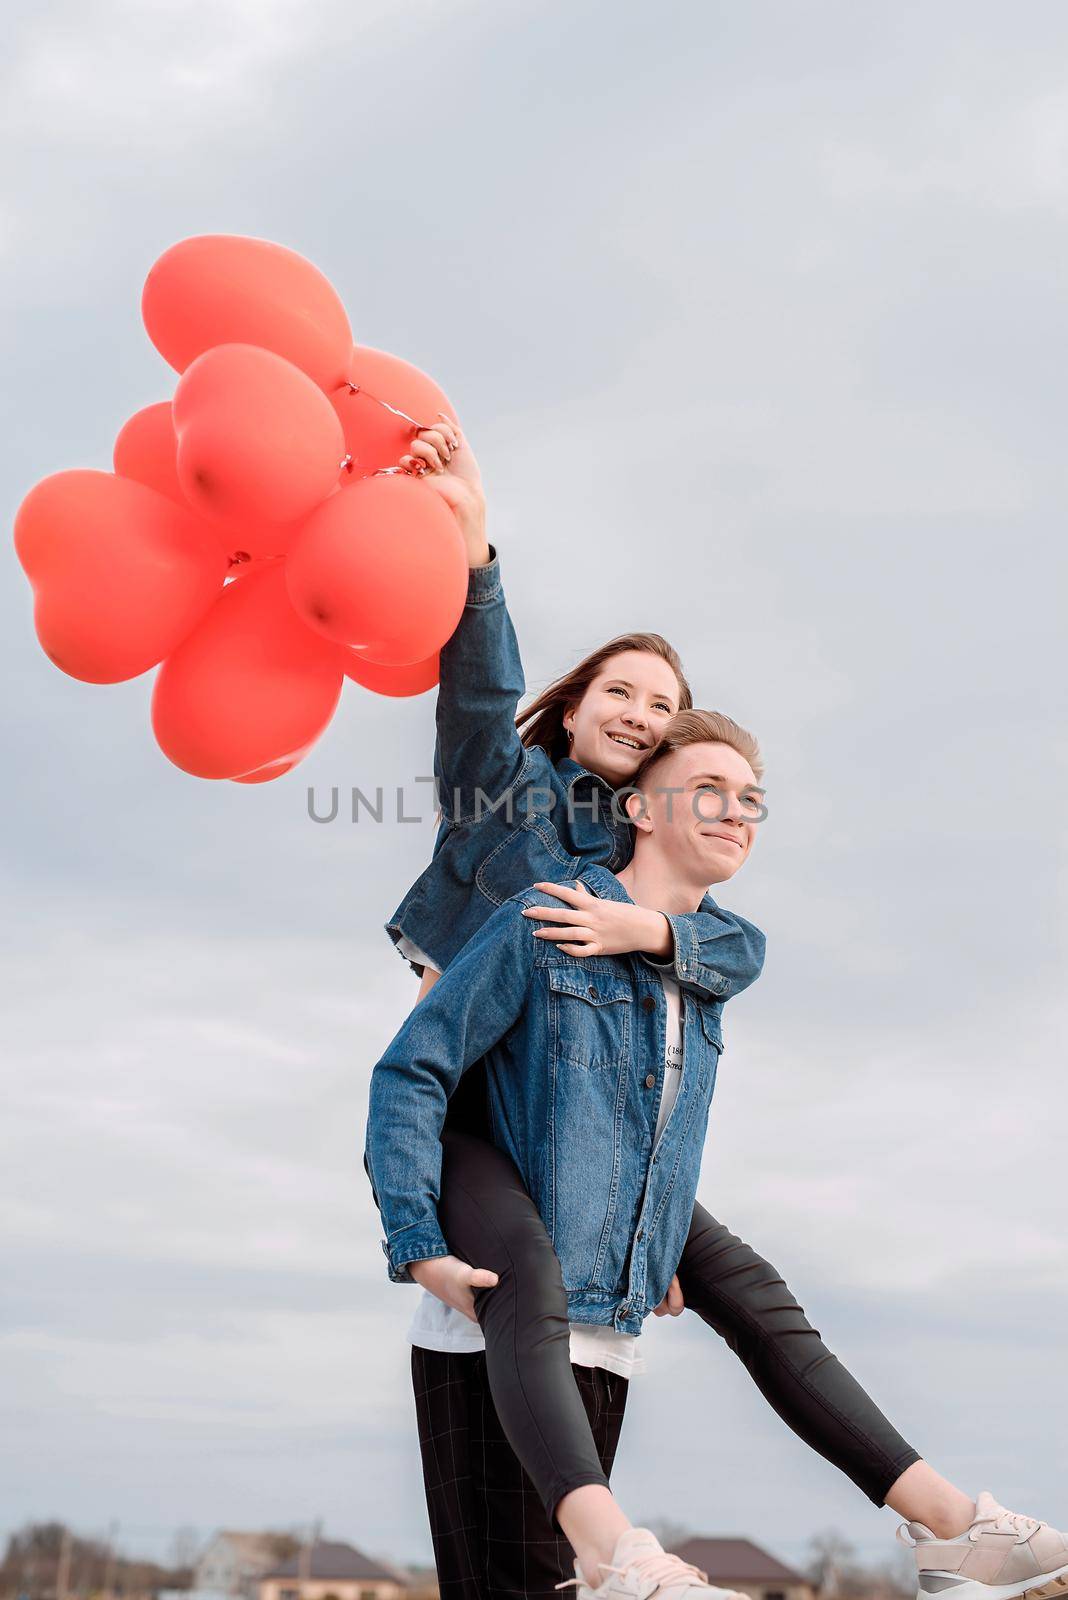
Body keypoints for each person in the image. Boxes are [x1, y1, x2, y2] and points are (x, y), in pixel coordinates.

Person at [373, 422, 1068, 1600]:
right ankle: (614, 1549)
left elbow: (729, 934)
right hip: (485, 1119)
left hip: (584, 1127)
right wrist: (475, 544)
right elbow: (482, 692)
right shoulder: (511, 810)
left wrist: (653, 933)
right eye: (625, 690)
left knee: (747, 1286)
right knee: (530, 1283)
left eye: (667, 703)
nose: (647, 711)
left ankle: (949, 1526)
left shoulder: (625, 846)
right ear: (576, 702)